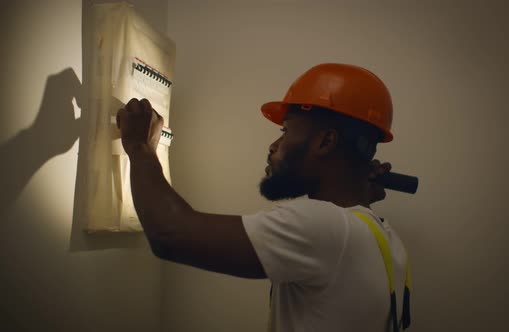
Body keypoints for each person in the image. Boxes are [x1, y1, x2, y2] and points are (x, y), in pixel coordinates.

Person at [116, 63, 411, 331]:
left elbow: (170, 233)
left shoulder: (323, 226)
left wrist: (140, 147)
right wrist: (359, 188)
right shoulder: (383, 238)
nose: (273, 146)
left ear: (326, 141)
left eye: (285, 131)